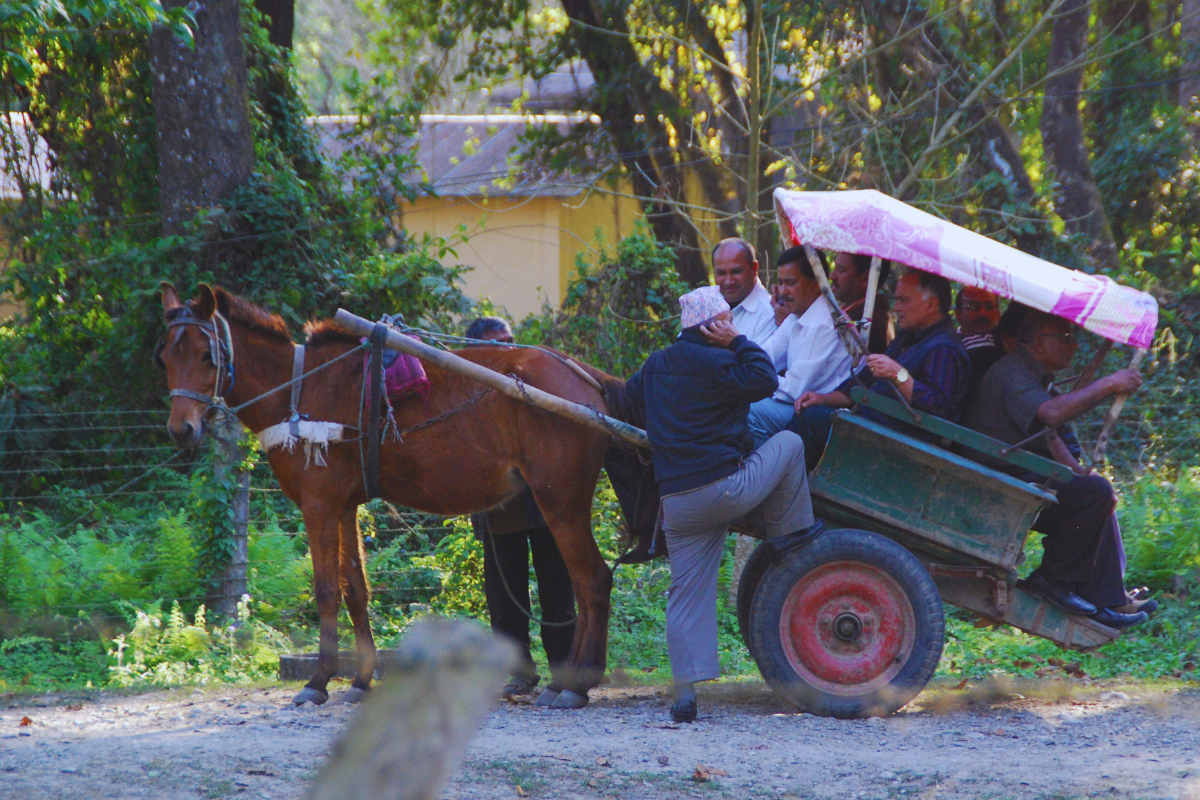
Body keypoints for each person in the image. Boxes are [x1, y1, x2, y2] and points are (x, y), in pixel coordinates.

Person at [624, 285, 821, 723]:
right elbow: (766, 380)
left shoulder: (655, 364)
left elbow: (632, 400)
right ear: (716, 325)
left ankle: (685, 694)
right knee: (789, 442)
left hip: (676, 501)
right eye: (727, 321)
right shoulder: (723, 359)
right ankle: (792, 536)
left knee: (686, 592)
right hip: (725, 489)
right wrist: (736, 341)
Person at [962, 310, 1148, 629]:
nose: (1074, 346)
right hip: (994, 480)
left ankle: (1105, 598)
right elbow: (1050, 415)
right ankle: (1052, 580)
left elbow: (1047, 436)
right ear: (1039, 342)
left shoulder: (1034, 373)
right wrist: (1108, 384)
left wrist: (1080, 473)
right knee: (1093, 494)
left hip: (1014, 471)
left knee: (1095, 491)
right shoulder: (1014, 373)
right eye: (1065, 338)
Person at [465, 316, 577, 695]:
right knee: (504, 597)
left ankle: (564, 671)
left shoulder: (534, 381)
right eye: (497, 344)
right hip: (497, 510)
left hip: (544, 505)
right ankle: (520, 673)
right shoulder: (466, 394)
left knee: (557, 591)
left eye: (510, 341)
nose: (508, 349)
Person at [792, 270, 970, 469]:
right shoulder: (908, 336)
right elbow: (863, 381)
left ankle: (784, 489)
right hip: (870, 422)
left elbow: (937, 407)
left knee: (812, 422)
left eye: (904, 300)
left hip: (900, 441)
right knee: (809, 412)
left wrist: (898, 374)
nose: (896, 308)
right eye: (896, 300)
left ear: (932, 304)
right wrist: (823, 398)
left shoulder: (943, 348)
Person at [746, 247, 854, 448]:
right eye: (780, 282)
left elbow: (794, 390)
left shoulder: (824, 322)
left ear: (815, 284)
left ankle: (767, 474)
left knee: (748, 411)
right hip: (796, 405)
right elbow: (764, 355)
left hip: (817, 416)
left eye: (791, 283)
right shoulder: (798, 314)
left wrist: (750, 378)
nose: (783, 291)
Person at [712, 238, 778, 346]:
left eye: (736, 272)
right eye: (721, 273)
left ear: (754, 268)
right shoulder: (708, 305)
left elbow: (759, 362)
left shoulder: (768, 314)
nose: (729, 281)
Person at [829, 252, 892, 354]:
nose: (832, 276)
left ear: (865, 278)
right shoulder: (853, 309)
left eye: (841, 270)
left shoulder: (867, 323)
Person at [955, 287, 1004, 396]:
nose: (982, 313)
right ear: (958, 314)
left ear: (998, 314)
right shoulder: (949, 346)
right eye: (974, 307)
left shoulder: (1004, 340)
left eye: (989, 307)